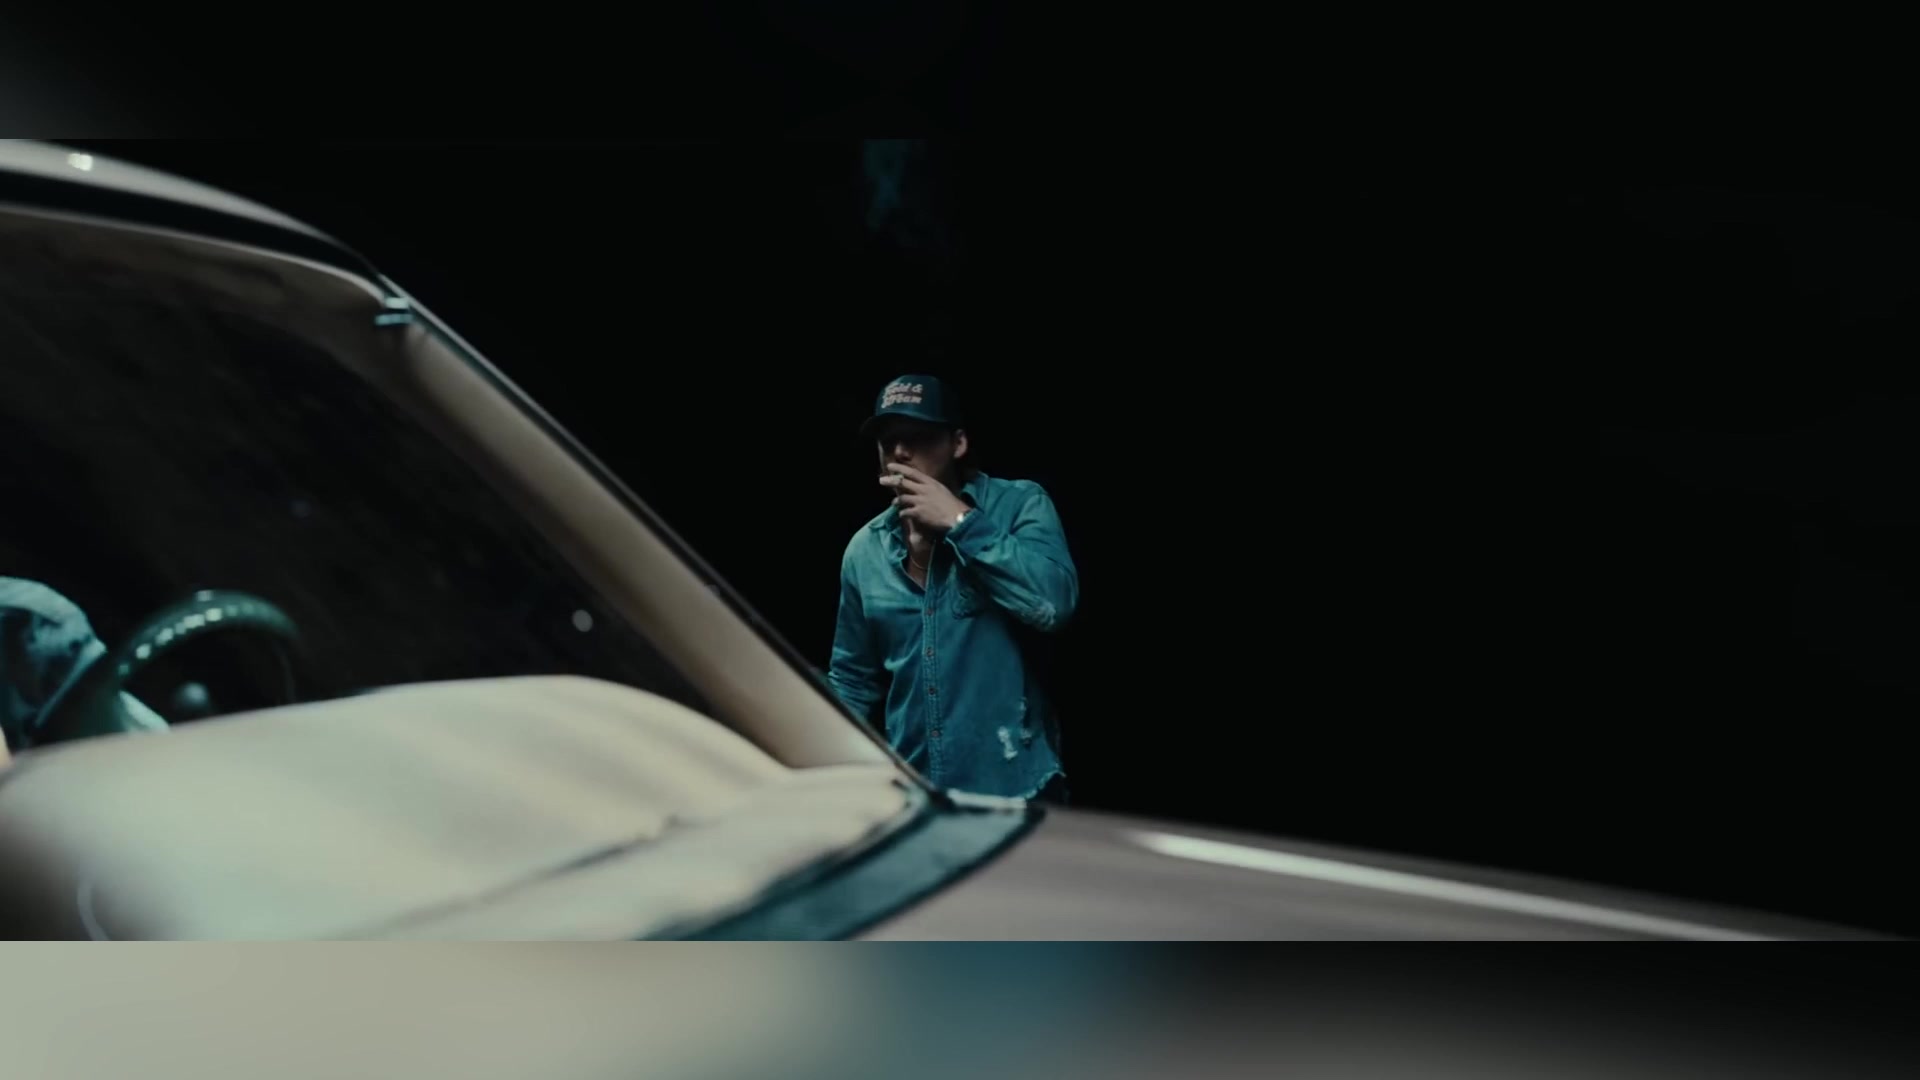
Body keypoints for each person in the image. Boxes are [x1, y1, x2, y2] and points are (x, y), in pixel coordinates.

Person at [827, 374, 1078, 802]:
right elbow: (852, 680)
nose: (899, 452)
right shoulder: (864, 551)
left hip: (1017, 788)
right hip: (917, 795)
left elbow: (1054, 604)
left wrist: (961, 522)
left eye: (917, 437)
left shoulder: (1020, 505)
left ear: (957, 443)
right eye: (887, 441)